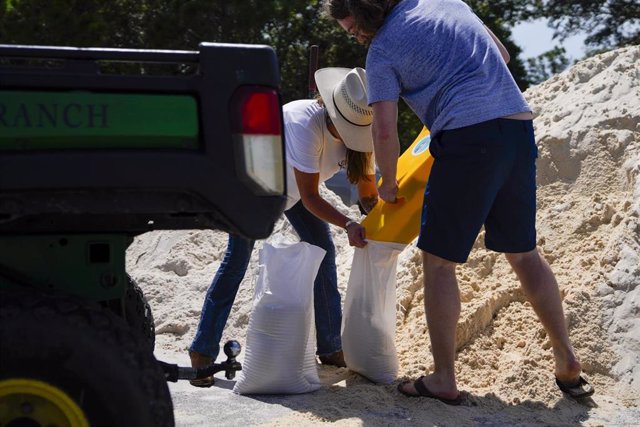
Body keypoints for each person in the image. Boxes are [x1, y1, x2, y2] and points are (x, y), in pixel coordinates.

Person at [323, 0, 594, 404]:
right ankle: (567, 359)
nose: (358, 35)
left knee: (438, 262)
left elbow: (384, 128)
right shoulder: (448, 2)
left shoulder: (381, 50)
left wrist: (388, 182)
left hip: (467, 138)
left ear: (365, 12)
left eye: (354, 28)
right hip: (517, 130)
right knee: (524, 253)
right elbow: (500, 55)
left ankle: (443, 378)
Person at [188, 67, 379, 386]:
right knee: (236, 262)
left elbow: (367, 188)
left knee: (323, 251)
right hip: (253, 186)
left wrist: (380, 217)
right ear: (333, 112)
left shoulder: (359, 134)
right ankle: (202, 354)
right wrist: (348, 224)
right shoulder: (305, 123)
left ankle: (330, 346)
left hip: (293, 191)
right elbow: (310, 196)